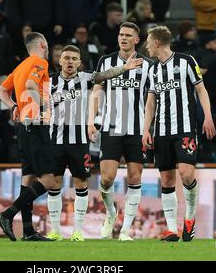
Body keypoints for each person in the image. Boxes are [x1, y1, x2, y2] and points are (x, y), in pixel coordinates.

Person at [46, 45, 143, 241]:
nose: (70, 62)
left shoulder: (85, 78)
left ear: (80, 62)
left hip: (79, 140)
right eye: (67, 58)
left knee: (81, 183)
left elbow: (105, 75)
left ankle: (77, 232)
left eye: (74, 58)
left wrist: (124, 69)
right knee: (54, 184)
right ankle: (55, 230)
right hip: (54, 140)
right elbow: (35, 103)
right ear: (60, 61)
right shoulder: (49, 82)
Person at [142, 26, 216, 242]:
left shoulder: (186, 61)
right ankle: (173, 229)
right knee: (166, 179)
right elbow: (150, 102)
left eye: (148, 42)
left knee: (186, 174)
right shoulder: (153, 70)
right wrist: (147, 129)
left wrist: (208, 116)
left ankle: (190, 219)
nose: (146, 46)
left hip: (184, 128)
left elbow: (201, 89)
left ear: (156, 43)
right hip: (162, 131)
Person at [88, 22, 153, 241]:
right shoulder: (106, 61)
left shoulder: (148, 65)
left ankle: (125, 230)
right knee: (106, 178)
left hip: (136, 128)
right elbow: (96, 87)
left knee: (135, 177)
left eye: (128, 35)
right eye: (120, 34)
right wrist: (91, 120)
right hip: (111, 127)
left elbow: (153, 97)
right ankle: (110, 213)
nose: (123, 38)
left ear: (137, 39)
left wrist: (150, 127)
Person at [0, 32, 57, 241]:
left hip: (23, 127)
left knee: (28, 179)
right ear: (42, 44)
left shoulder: (20, 66)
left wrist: (14, 106)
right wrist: (46, 105)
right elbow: (31, 86)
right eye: (47, 46)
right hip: (37, 125)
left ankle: (28, 231)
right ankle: (6, 215)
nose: (47, 50)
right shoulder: (40, 62)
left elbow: (1, 91)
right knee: (48, 180)